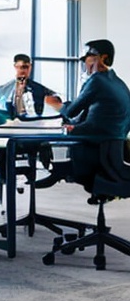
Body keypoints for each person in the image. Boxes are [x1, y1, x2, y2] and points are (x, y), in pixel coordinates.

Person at [50, 39, 130, 192]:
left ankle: (57, 172)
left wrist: (53, 103)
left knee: (54, 138)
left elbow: (71, 111)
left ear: (103, 58)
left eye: (89, 57)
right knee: (68, 128)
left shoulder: (97, 80)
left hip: (98, 148)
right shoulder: (118, 82)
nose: (85, 62)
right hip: (114, 145)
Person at [0, 53, 63, 118]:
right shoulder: (1, 91)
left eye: (26, 67)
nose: (23, 71)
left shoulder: (39, 89)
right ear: (15, 67)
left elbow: (56, 100)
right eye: (20, 67)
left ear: (30, 67)